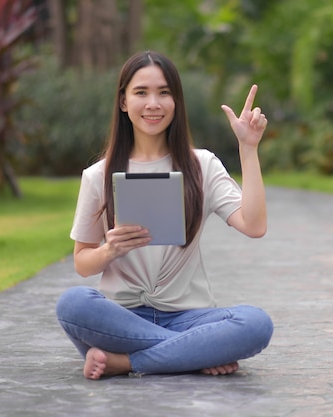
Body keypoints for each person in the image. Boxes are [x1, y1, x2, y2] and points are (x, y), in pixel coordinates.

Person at [55, 51, 274, 379]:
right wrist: (109, 251)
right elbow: (83, 263)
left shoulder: (202, 165)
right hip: (122, 316)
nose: (153, 103)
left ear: (177, 102)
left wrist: (248, 149)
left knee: (256, 324)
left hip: (191, 315)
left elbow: (254, 226)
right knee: (73, 304)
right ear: (124, 102)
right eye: (141, 93)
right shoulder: (97, 175)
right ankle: (192, 353)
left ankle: (125, 362)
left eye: (164, 92)